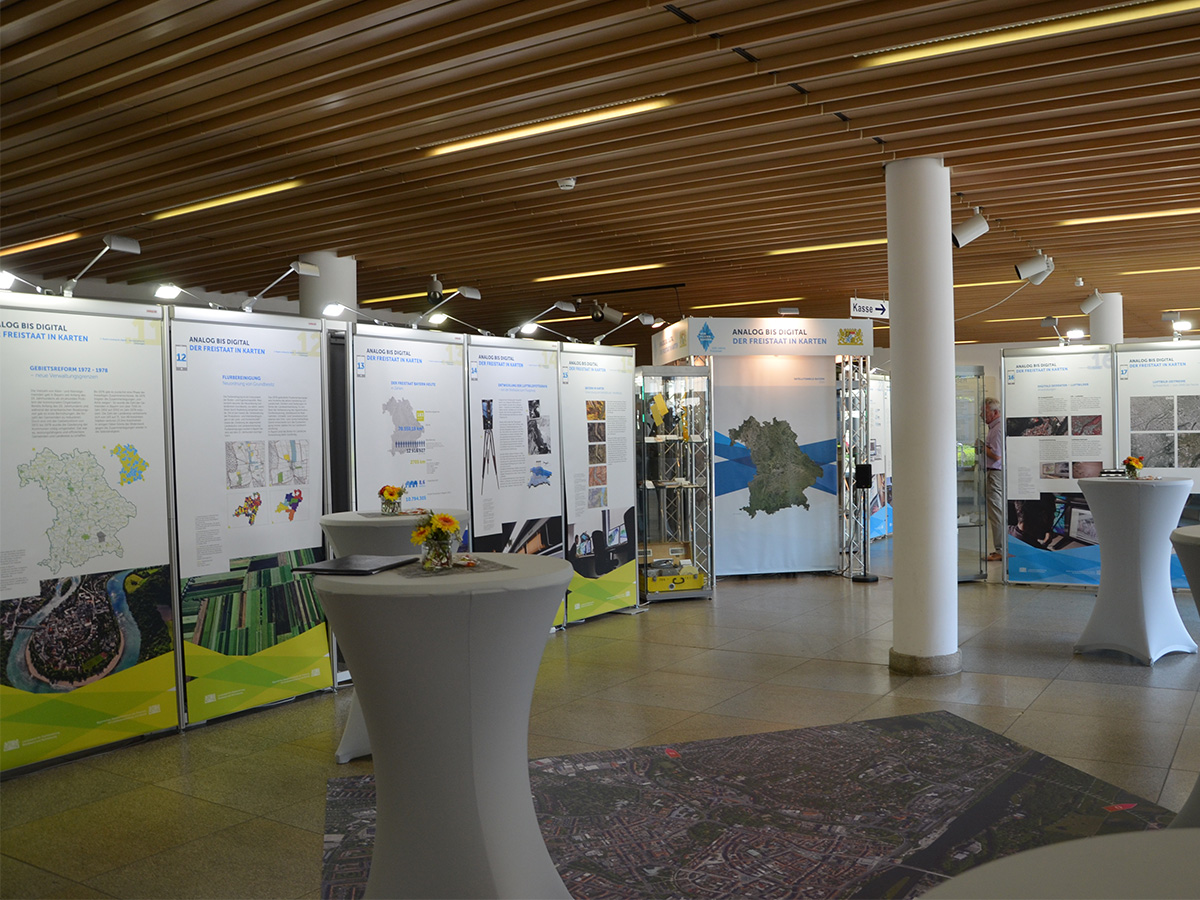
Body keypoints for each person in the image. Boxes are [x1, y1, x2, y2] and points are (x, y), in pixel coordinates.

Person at [982, 397, 1004, 561]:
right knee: (996, 511)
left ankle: (1001, 550)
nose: (981, 415)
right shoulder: (994, 428)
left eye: (984, 412)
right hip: (994, 473)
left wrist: (982, 447)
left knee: (996, 512)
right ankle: (1000, 548)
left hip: (995, 474)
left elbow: (996, 455)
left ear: (995, 412)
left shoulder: (997, 429)